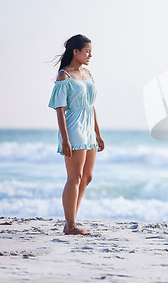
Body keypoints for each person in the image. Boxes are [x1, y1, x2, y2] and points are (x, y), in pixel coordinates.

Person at [48, 34, 104, 235]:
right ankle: (70, 225)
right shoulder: (64, 76)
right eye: (87, 51)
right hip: (73, 128)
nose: (90, 55)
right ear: (76, 52)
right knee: (75, 176)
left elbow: (91, 105)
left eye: (91, 51)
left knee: (87, 177)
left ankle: (71, 221)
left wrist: (98, 133)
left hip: (89, 127)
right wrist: (65, 138)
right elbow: (60, 110)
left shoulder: (88, 73)